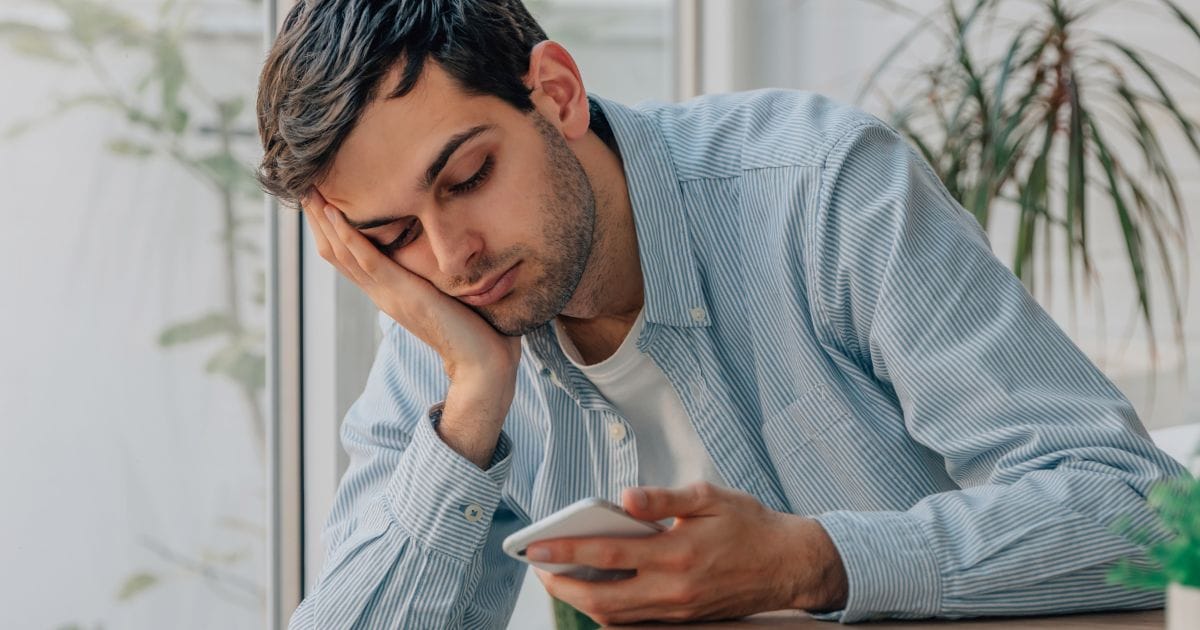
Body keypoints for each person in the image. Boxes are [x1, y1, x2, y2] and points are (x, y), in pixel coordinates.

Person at [255, 0, 1185, 626]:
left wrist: (812, 560)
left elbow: (1144, 517)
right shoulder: (449, 325)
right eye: (392, 235)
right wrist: (471, 405)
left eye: (469, 176)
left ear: (558, 94)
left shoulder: (822, 190)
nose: (452, 255)